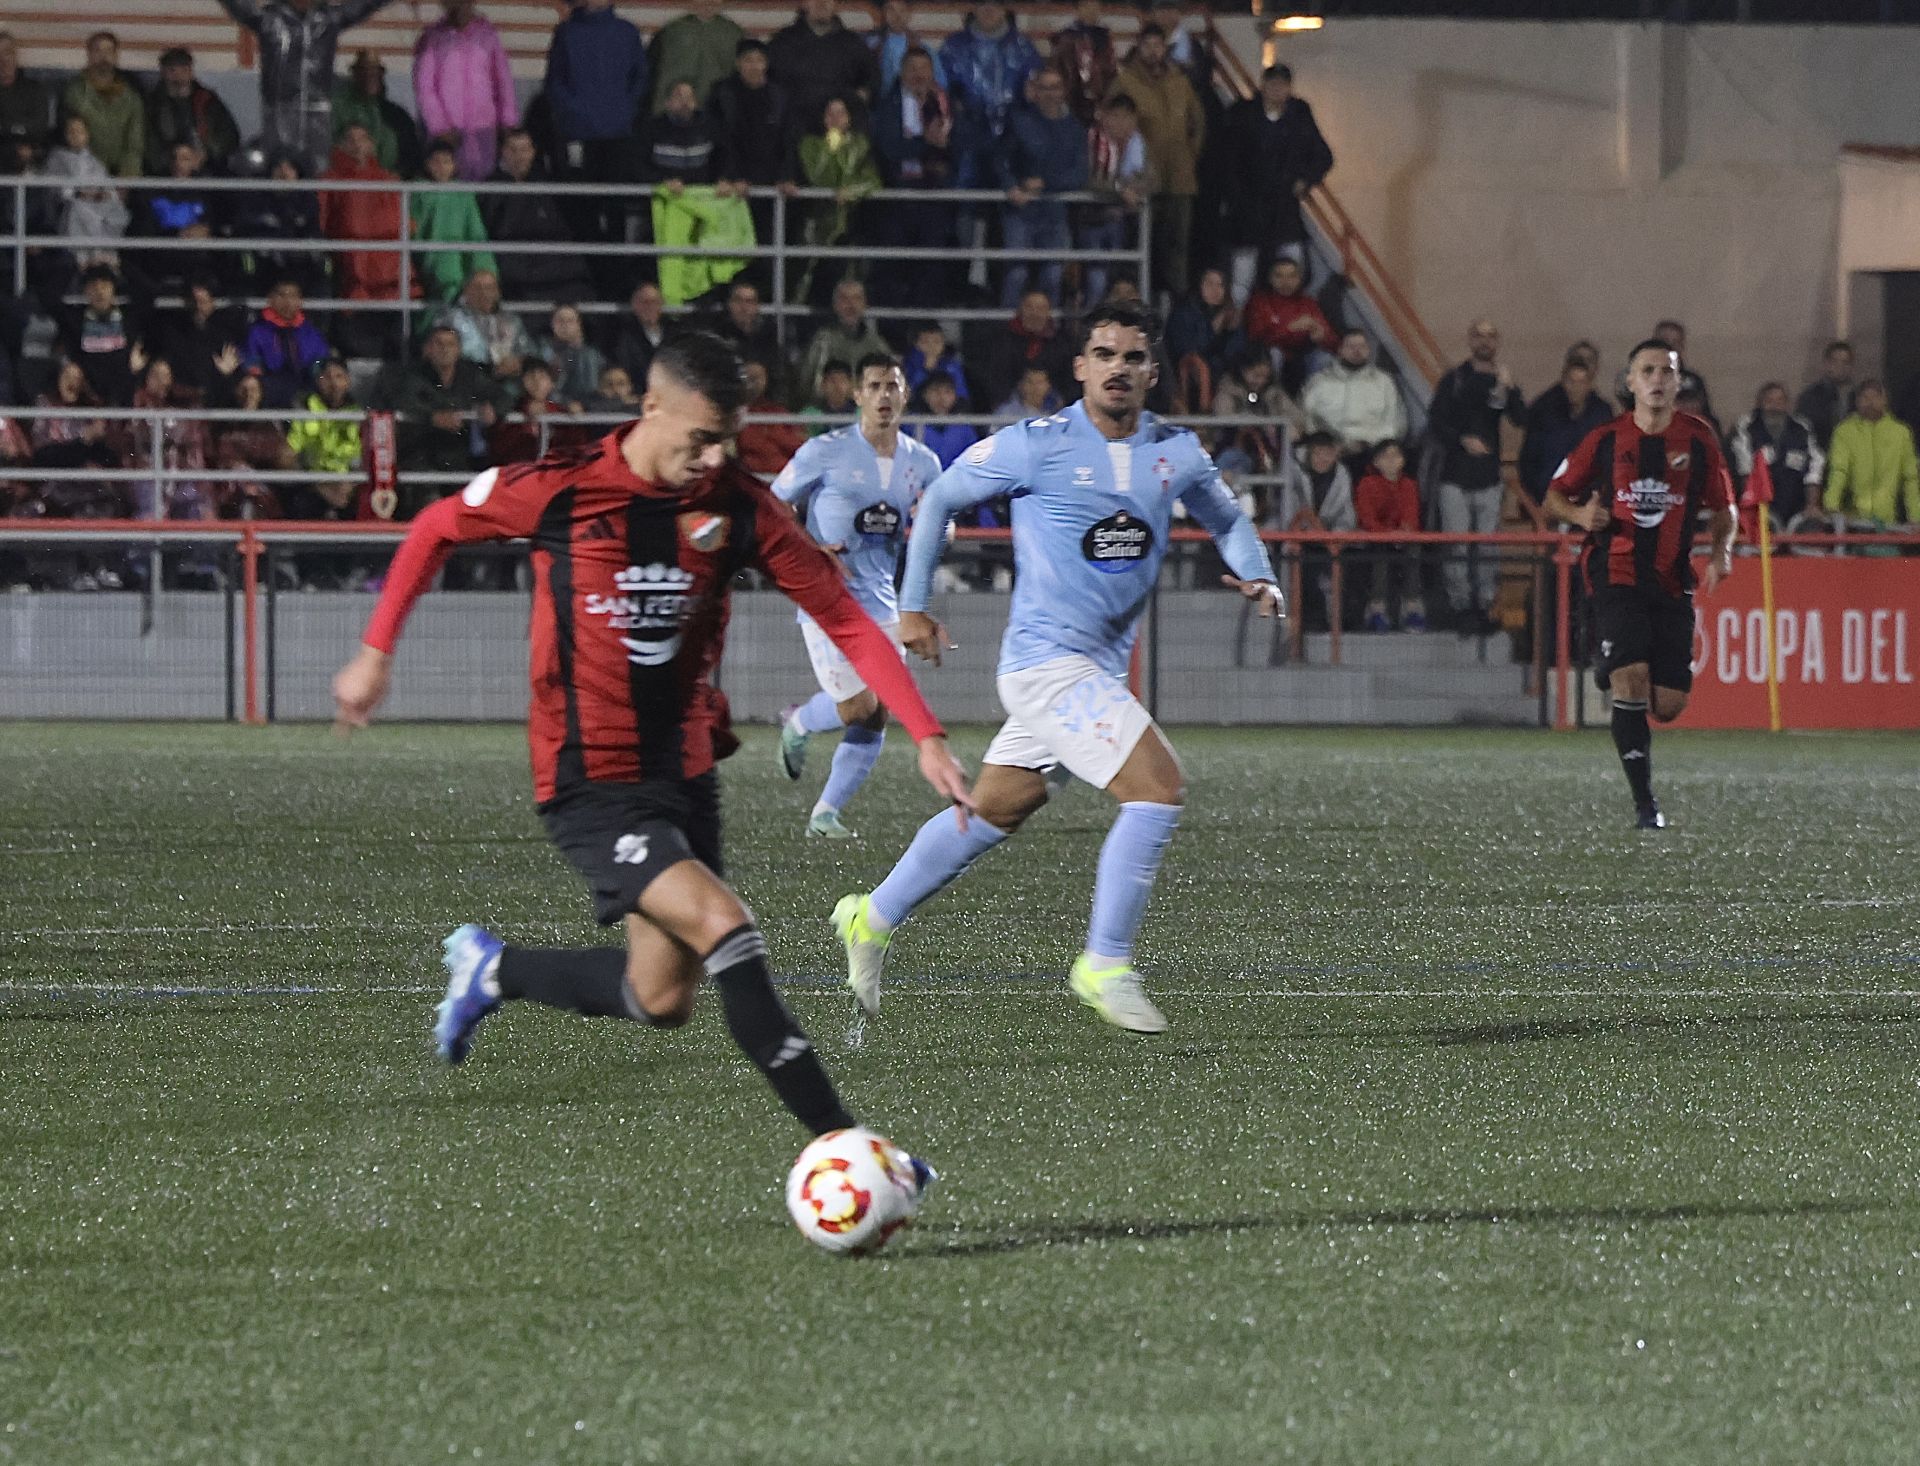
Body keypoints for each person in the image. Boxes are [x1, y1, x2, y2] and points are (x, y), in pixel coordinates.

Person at [331, 333, 970, 1174]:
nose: (710, 459)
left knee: (660, 996)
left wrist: (923, 732)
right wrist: (376, 651)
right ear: (651, 409)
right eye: (698, 438)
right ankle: (846, 1146)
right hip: (590, 777)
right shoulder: (563, 488)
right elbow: (434, 529)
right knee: (728, 930)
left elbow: (848, 617)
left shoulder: (737, 505)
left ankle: (496, 969)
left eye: (725, 443)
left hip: (685, 770)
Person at [831, 299, 1283, 1034]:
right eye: (1103, 354)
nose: (1118, 369)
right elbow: (942, 495)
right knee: (1158, 789)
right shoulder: (1036, 444)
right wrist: (911, 606)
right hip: (1045, 665)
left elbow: (1228, 518)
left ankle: (870, 916)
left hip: (1095, 672)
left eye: (1133, 357)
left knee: (996, 808)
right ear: (1080, 367)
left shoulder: (1178, 452)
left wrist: (1258, 573)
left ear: (1152, 371)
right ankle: (1104, 963)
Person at [1545, 339, 1736, 831]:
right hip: (1616, 573)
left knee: (1669, 706)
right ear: (1630, 382)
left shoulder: (1698, 440)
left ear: (1678, 382)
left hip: (1672, 581)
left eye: (1665, 372)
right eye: (1646, 370)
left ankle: (1615, 666)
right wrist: (1581, 513)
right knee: (1631, 677)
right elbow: (1554, 497)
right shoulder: (1605, 439)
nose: (1656, 379)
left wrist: (1722, 553)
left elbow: (1725, 509)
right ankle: (1645, 805)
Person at [772, 353, 945, 837]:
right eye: (874, 386)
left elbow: (937, 523)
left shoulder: (923, 463)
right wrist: (808, 548)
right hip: (828, 600)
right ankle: (802, 721)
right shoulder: (824, 451)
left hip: (884, 601)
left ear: (905, 394)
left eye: (892, 386)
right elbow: (772, 504)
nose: (884, 395)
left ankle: (825, 814)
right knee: (856, 708)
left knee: (878, 711)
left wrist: (921, 591)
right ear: (857, 395)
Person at [215, 0, 401, 175]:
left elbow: (364, 5)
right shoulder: (270, 20)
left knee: (318, 177)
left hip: (317, 116)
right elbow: (238, 6)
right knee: (280, 172)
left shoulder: (328, 19)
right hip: (279, 115)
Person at [1428, 318, 1524, 632]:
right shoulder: (1454, 379)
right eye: (1479, 336)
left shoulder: (1502, 378)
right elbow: (1436, 422)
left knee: (1487, 546)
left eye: (1491, 335)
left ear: (1497, 341)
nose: (1485, 342)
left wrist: (1509, 389)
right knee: (1456, 545)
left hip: (1488, 477)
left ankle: (1484, 604)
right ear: (1470, 340)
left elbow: (1520, 418)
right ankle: (1460, 606)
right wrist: (1461, 440)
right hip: (1455, 476)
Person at [1217, 64, 1331, 305]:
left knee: (1294, 266)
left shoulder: (1300, 115)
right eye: (1273, 84)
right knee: (1243, 275)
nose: (1277, 90)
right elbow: (1227, 162)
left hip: (1283, 207)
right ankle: (1240, 321)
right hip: (1248, 207)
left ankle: (1292, 320)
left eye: (1282, 85)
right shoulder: (1242, 115)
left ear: (1289, 88)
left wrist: (1306, 179)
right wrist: (1236, 199)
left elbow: (1322, 156)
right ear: (1263, 86)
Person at [1107, 23, 1203, 300]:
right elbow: (1112, 124)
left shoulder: (1180, 82)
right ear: (1138, 47)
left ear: (1165, 48)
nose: (1152, 51)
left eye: (1157, 45)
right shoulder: (1125, 82)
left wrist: (1188, 155)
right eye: (1147, 45)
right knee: (1142, 245)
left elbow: (1197, 122)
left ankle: (1176, 307)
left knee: (1178, 247)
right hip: (1142, 181)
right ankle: (1138, 303)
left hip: (1180, 179)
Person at [869, 46, 957, 305]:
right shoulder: (888, 105)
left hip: (934, 199)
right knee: (894, 267)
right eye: (913, 69)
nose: (919, 75)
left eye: (924, 69)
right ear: (902, 72)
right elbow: (891, 148)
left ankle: (925, 327)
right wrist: (928, 145)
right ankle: (893, 331)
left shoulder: (944, 103)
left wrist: (941, 151)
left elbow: (958, 144)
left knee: (931, 267)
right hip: (897, 199)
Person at [995, 66, 1086, 309]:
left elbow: (1079, 174)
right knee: (1016, 274)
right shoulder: (1018, 122)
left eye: (1054, 87)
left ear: (1063, 91)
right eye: (1044, 88)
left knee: (1053, 276)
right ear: (1034, 91)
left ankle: (1050, 336)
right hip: (1020, 213)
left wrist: (1045, 183)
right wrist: (1010, 186)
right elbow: (999, 160)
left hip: (1055, 213)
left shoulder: (1075, 129)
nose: (1049, 93)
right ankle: (1007, 333)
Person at [482, 129, 593, 304]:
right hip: (515, 268)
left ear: (533, 152)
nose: (519, 156)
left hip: (553, 266)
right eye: (513, 150)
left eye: (524, 150)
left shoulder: (550, 186)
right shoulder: (489, 189)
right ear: (503, 151)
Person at [413, 0, 519, 183]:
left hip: (484, 127)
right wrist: (440, 127)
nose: (460, 7)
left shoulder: (488, 36)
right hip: (449, 131)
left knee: (486, 182)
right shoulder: (433, 39)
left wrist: (507, 121)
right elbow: (424, 86)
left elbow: (502, 80)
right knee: (450, 181)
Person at [937, 0, 1040, 188]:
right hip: (967, 136)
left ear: (1005, 8)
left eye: (996, 3)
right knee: (967, 193)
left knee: (1010, 195)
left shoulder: (1024, 48)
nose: (989, 8)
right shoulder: (953, 47)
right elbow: (942, 93)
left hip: (1012, 136)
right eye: (982, 3)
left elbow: (1033, 96)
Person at [794, 95, 881, 303]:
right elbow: (816, 176)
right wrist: (830, 148)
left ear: (849, 118)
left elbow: (873, 181)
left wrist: (851, 191)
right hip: (817, 223)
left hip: (850, 224)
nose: (835, 118)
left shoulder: (861, 145)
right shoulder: (809, 144)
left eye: (840, 113)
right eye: (830, 113)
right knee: (811, 278)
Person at [1078, 91, 1153, 309]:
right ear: (1106, 116)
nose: (1121, 123)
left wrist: (1135, 188)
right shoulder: (1092, 141)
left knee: (1117, 284)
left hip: (1121, 223)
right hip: (1093, 220)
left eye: (1127, 117)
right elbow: (1087, 179)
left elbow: (1152, 177)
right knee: (1096, 280)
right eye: (1116, 116)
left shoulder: (1138, 144)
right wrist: (1119, 189)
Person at [319, 123, 406, 305]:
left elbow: (401, 225)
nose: (357, 145)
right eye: (350, 140)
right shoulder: (329, 180)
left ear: (371, 144)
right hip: (348, 266)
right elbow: (324, 221)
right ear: (340, 145)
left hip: (387, 267)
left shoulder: (388, 181)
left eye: (362, 139)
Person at [769, 0, 880, 135]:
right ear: (804, 3)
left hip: (841, 132)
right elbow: (769, 84)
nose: (822, 3)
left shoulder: (853, 44)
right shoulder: (783, 42)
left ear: (836, 4)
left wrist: (856, 100)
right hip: (795, 132)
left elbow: (872, 80)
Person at [1823, 379, 1920, 530]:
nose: (1870, 402)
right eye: (1865, 398)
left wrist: (1916, 517)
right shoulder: (1844, 431)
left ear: (1885, 400)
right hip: (1854, 521)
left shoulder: (1901, 433)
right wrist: (1832, 506)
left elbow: (1910, 478)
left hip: (1890, 522)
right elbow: (1838, 471)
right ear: (1857, 401)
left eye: (1875, 397)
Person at [1301, 328, 1405, 466]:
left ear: (1368, 350)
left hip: (1373, 453)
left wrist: (1367, 443)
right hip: (1331, 451)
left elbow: (1395, 424)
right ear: (1340, 350)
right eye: (1351, 346)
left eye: (1362, 346)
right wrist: (1328, 444)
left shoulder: (1384, 382)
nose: (1357, 351)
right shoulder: (1319, 382)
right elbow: (1306, 417)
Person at [1518, 353, 1612, 507]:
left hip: (1588, 501)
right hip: (1546, 497)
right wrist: (1538, 496)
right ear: (1563, 383)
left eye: (1582, 382)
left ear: (1590, 384)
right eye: (1571, 382)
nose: (1575, 388)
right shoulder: (1544, 411)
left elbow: (1607, 460)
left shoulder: (1602, 414)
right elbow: (1528, 459)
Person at [1728, 382, 1823, 531]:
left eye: (1780, 401)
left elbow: (1815, 467)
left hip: (1797, 507)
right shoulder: (1747, 427)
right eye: (1769, 401)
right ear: (1759, 403)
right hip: (1761, 506)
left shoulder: (1802, 428)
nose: (1775, 406)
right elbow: (1744, 470)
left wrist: (1812, 504)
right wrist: (1752, 507)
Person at [410, 140, 495, 302]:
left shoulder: (463, 195)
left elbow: (475, 231)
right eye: (436, 162)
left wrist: (485, 269)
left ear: (455, 165)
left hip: (458, 264)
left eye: (446, 162)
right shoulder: (416, 193)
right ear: (427, 164)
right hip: (425, 262)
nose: (441, 167)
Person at [1353, 438, 1423, 632]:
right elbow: (1367, 519)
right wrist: (1388, 534)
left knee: (1414, 550)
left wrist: (1403, 533)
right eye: (1385, 456)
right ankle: (1377, 610)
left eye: (1396, 455)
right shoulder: (1367, 484)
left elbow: (1411, 516)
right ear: (1376, 462)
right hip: (1374, 539)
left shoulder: (1409, 485)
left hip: (1402, 539)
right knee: (1380, 553)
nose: (1391, 460)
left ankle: (1412, 608)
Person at [61, 32, 144, 180]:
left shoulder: (131, 96)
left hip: (121, 176)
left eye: (109, 51)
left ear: (116, 55)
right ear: (89, 54)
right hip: (82, 173)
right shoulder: (74, 92)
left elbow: (135, 142)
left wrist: (128, 176)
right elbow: (70, 138)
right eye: (98, 50)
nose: (104, 56)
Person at [145, 48, 240, 176]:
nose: (178, 76)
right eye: (172, 70)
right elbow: (145, 140)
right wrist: (172, 159)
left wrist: (204, 155)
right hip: (163, 171)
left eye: (184, 70)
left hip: (208, 168)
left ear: (191, 71)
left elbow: (229, 135)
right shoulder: (152, 104)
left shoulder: (208, 101)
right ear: (163, 72)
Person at [332, 49, 424, 179]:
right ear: (355, 74)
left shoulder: (398, 114)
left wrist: (398, 175)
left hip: (389, 186)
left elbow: (412, 155)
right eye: (364, 71)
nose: (370, 76)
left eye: (375, 72)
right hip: (350, 182)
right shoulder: (338, 108)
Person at [1242, 256, 1332, 388]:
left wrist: (1321, 336)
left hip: (1301, 355)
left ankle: (1310, 402)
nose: (1286, 282)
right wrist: (1290, 328)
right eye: (1279, 276)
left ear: (1299, 279)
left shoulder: (1308, 303)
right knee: (1274, 354)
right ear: (1270, 279)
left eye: (1292, 276)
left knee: (1324, 357)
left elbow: (1332, 340)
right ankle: (1271, 396)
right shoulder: (1260, 301)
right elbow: (1256, 336)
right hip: (1272, 355)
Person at [242, 277, 332, 408]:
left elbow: (321, 359)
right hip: (269, 384)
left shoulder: (311, 333)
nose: (288, 301)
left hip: (306, 383)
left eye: (293, 295)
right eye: (281, 295)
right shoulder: (257, 331)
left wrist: (317, 370)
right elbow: (250, 360)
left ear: (300, 301)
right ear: (270, 299)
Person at [434, 267, 534, 383]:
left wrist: (517, 362)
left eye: (489, 288)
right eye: (477, 287)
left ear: (497, 292)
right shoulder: (450, 318)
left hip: (507, 382)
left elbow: (528, 351)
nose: (484, 293)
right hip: (466, 381)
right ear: (466, 291)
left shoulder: (511, 320)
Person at [981, 287, 1073, 409]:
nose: (1035, 313)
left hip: (1054, 408)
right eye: (1029, 307)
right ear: (1020, 310)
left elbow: (1070, 383)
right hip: (1012, 409)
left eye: (1040, 308)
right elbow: (995, 380)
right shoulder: (1002, 340)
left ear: (1048, 312)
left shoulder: (1062, 342)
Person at [798, 279, 890, 402]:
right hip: (828, 413)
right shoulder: (823, 341)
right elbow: (809, 386)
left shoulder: (876, 343)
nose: (850, 305)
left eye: (857, 298)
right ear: (835, 305)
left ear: (865, 304)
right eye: (844, 299)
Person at [650, 0, 742, 112]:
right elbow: (652, 69)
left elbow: (741, 75)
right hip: (676, 108)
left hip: (717, 108)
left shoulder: (734, 33)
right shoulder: (671, 30)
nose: (708, 3)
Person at [1051, 0, 1116, 126]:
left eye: (1095, 5)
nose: (1091, 10)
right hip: (1073, 100)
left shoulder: (1105, 37)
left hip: (1101, 101)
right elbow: (1059, 70)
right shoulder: (1066, 38)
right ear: (1077, 9)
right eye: (1086, 5)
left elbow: (1111, 70)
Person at [868, 0, 946, 97]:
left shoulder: (922, 46)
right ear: (883, 13)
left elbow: (941, 83)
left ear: (909, 14)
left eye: (902, 10)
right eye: (891, 10)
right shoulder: (871, 44)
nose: (897, 16)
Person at [539, 303, 606, 407]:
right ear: (552, 323)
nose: (565, 325)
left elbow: (592, 390)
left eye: (570, 321)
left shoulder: (591, 356)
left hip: (585, 410)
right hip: (550, 407)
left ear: (579, 324)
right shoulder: (542, 351)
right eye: (560, 320)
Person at [1795, 339, 1855, 453]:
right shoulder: (1810, 397)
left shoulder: (1859, 397)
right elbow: (1802, 431)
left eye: (1845, 362)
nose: (1840, 367)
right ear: (1826, 364)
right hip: (1821, 459)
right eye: (1835, 362)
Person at [612, 281, 674, 389]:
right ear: (634, 305)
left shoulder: (675, 332)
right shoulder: (624, 337)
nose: (650, 307)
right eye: (644, 302)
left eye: (654, 302)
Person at [0, 31, 53, 151]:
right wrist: (17, 127)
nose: (3, 61)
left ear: (16, 56)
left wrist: (7, 127)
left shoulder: (35, 90)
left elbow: (39, 128)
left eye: (7, 53)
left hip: (29, 152)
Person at [909, 369, 974, 467]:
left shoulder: (964, 427)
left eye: (947, 392)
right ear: (924, 395)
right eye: (935, 390)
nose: (941, 397)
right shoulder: (910, 424)